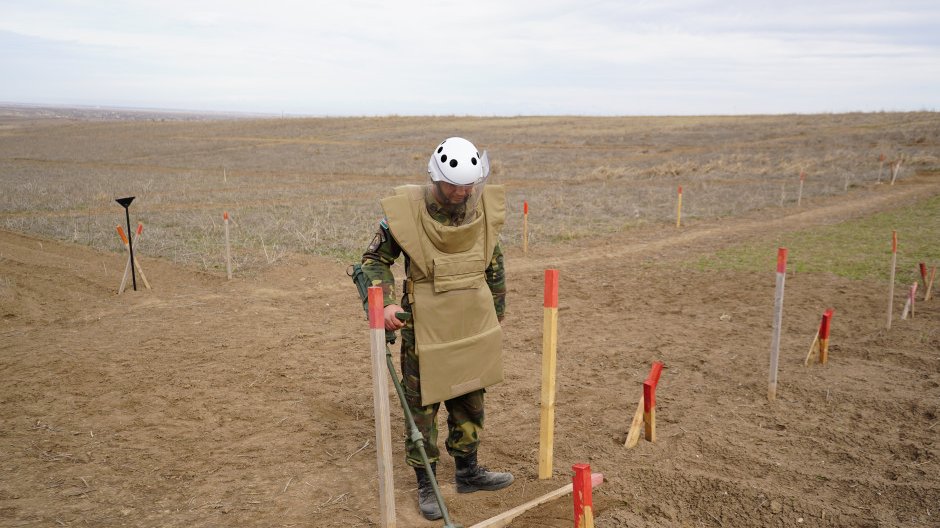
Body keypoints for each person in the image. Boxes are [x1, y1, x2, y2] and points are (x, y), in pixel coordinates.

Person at [360, 137, 513, 520]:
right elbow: (373, 260)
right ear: (435, 176)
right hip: (425, 323)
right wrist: (389, 301)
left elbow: (492, 258)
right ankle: (426, 481)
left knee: (470, 394)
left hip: (471, 319)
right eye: (453, 185)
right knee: (423, 405)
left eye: (468, 186)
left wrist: (496, 311)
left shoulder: (480, 210)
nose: (462, 192)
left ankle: (468, 471)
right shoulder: (407, 212)